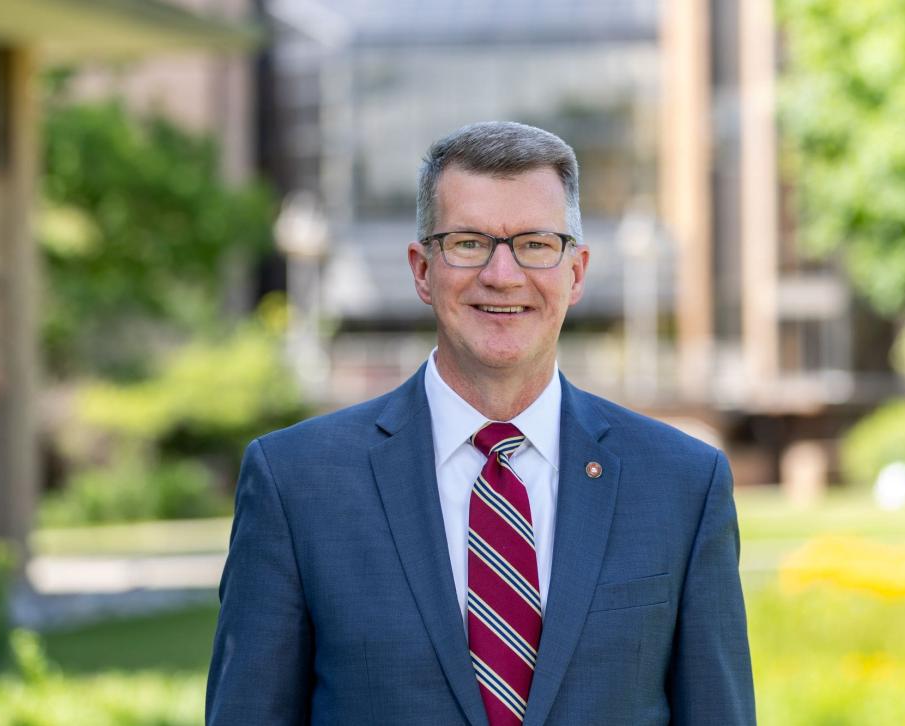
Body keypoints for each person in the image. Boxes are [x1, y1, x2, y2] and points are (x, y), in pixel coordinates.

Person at [206, 121, 755, 725]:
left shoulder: (682, 483)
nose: (502, 274)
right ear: (421, 269)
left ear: (575, 272)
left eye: (536, 244)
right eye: (468, 243)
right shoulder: (296, 483)